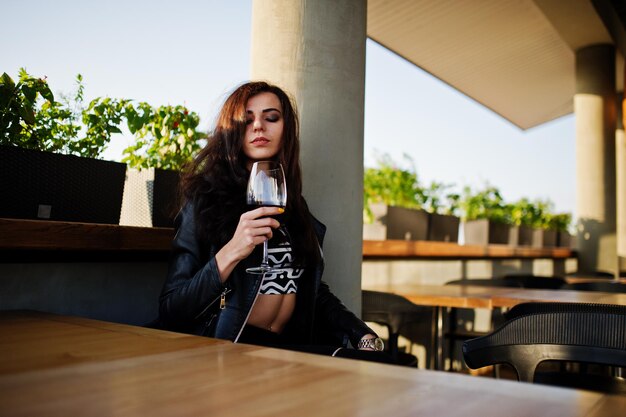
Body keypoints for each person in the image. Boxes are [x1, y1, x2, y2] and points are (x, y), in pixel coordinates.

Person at [158, 81, 389, 361]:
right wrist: (232, 250)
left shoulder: (293, 205)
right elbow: (172, 310)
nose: (258, 126)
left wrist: (360, 333)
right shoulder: (205, 201)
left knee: (384, 362)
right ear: (232, 130)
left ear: (285, 129)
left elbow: (310, 290)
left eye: (271, 118)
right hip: (231, 345)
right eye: (248, 119)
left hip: (286, 347)